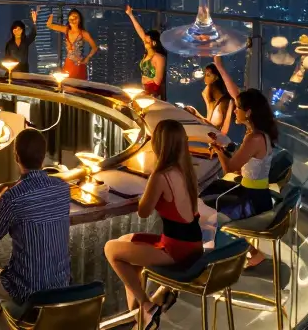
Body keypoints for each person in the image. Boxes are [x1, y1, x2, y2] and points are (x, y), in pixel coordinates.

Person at [103, 120, 202, 328]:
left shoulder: (161, 175)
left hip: (176, 250)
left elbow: (144, 211)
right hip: (191, 244)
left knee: (111, 249)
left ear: (158, 144)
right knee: (125, 242)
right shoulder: (186, 171)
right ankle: (139, 317)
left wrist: (147, 187)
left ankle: (146, 306)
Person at [0, 128, 71, 330]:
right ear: (44, 156)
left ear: (16, 156)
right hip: (62, 285)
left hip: (27, 289)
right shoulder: (63, 188)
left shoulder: (12, 197)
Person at [203, 89, 279, 267]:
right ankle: (249, 251)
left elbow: (230, 168)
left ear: (249, 112)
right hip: (257, 193)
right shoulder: (259, 135)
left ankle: (219, 258)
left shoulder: (254, 138)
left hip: (252, 199)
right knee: (210, 195)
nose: (235, 111)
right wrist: (221, 150)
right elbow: (242, 168)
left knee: (208, 208)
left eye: (237, 108)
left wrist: (216, 149)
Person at [125, 4, 167, 99]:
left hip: (153, 93)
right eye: (145, 41)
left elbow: (157, 81)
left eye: (147, 42)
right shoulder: (147, 54)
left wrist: (147, 93)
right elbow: (140, 31)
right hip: (145, 89)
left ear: (154, 43)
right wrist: (130, 15)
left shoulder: (159, 58)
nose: (145, 43)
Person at [185, 56, 234, 137]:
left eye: (208, 75)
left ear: (216, 77)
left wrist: (196, 115)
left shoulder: (226, 101)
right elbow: (209, 121)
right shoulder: (213, 100)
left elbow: (219, 132)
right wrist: (207, 101)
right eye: (205, 75)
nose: (205, 78)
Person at [45, 8, 98, 80]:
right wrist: (52, 14)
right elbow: (49, 25)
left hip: (79, 64)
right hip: (68, 63)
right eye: (72, 17)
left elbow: (95, 47)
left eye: (76, 17)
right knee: (67, 84)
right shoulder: (66, 30)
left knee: (79, 86)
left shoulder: (84, 33)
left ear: (79, 20)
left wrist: (87, 58)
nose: (74, 19)